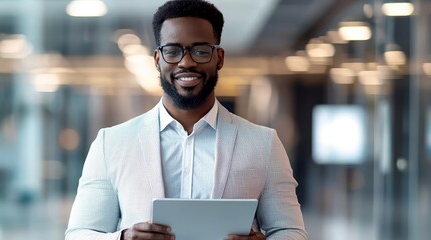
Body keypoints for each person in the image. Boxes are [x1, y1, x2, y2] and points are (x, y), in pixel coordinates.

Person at [65, 0, 308, 239]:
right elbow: (79, 234)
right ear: (158, 60)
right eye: (173, 51)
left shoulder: (263, 143)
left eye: (201, 51)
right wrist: (123, 238)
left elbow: (292, 231)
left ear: (219, 58)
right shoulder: (111, 143)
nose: (186, 62)